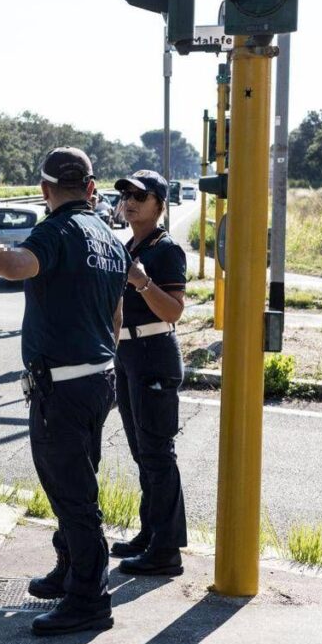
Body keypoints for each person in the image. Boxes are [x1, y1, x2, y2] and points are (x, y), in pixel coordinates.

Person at [0, 147, 129, 636]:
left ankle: (89, 599)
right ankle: (70, 570)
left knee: (73, 493)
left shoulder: (56, 231)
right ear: (92, 188)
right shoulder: (108, 238)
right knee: (75, 482)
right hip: (99, 377)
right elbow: (116, 316)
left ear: (45, 190)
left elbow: (16, 265)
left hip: (65, 385)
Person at [108, 170, 189, 575]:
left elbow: (174, 311)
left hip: (154, 351)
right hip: (128, 354)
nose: (130, 200)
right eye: (125, 194)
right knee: (143, 453)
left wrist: (141, 283)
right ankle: (150, 533)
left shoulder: (165, 249)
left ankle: (167, 550)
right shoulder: (127, 245)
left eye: (140, 194)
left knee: (158, 453)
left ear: (160, 203)